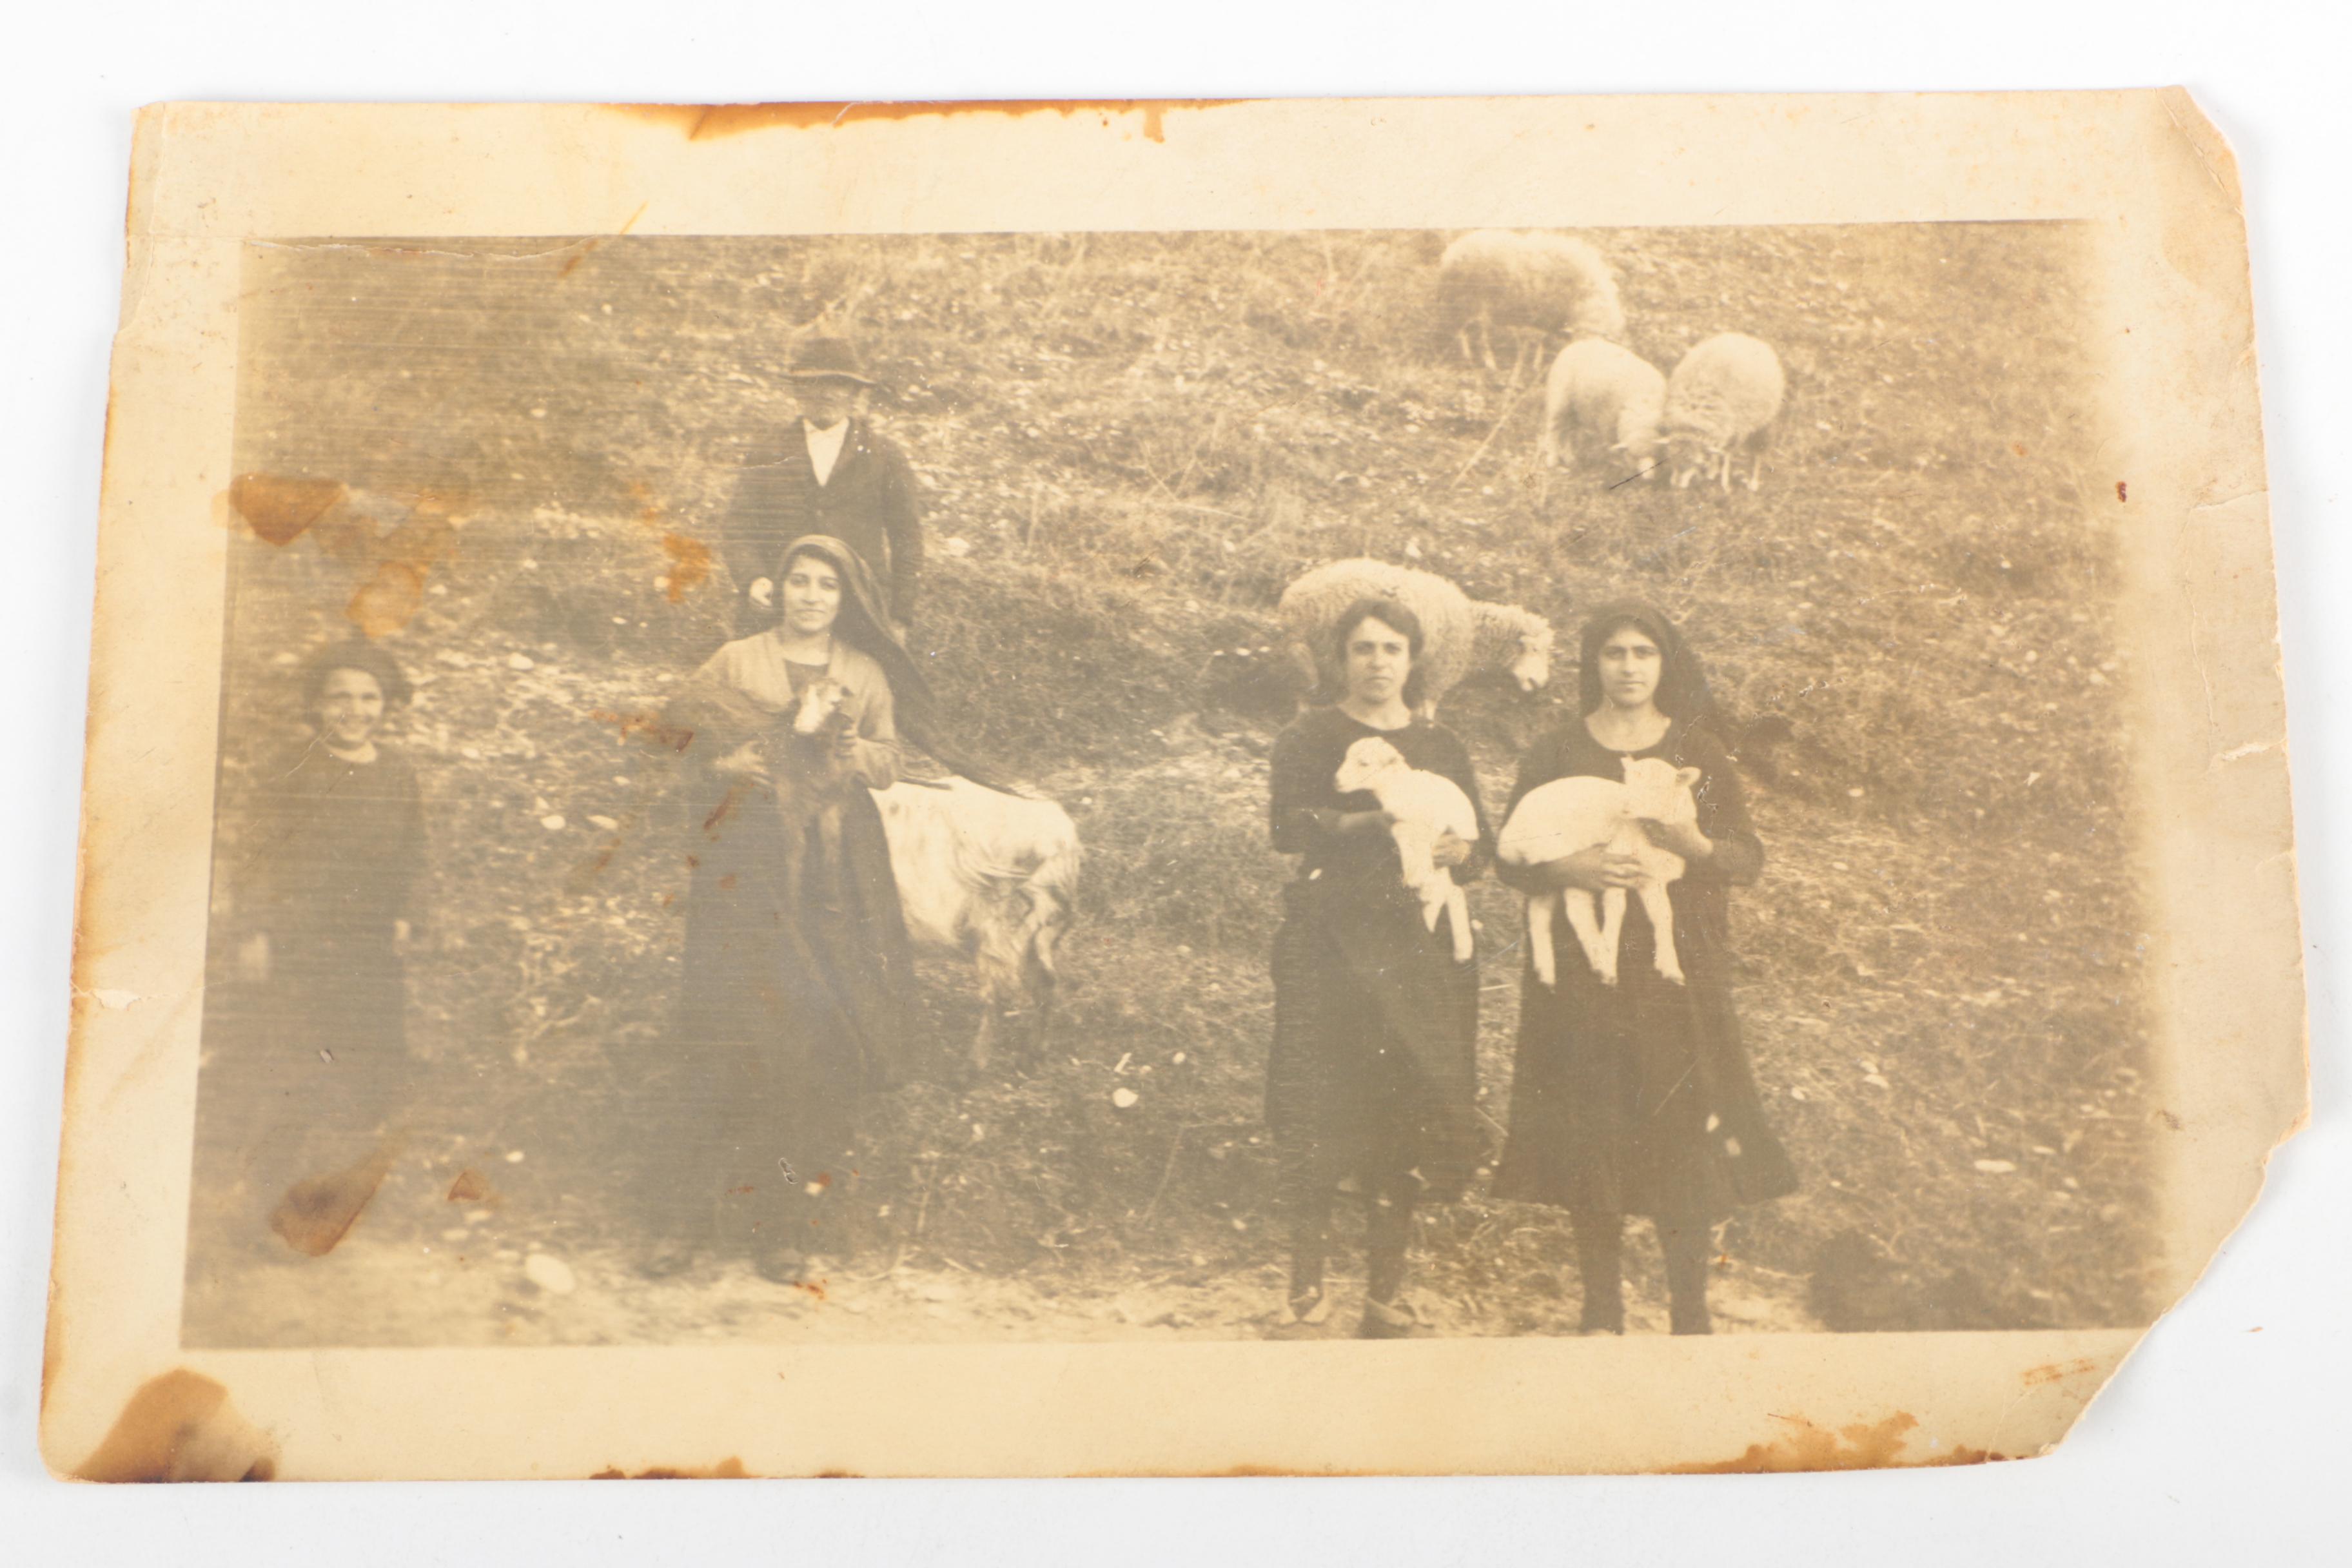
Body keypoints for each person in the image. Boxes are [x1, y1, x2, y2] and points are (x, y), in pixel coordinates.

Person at [1492, 603, 1796, 1335]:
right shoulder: (1557, 749)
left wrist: (1691, 843)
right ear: (1592, 662)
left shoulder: (1699, 751)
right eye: (1614, 652)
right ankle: (1602, 1308)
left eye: (1644, 653)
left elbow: (1745, 859)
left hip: (1674, 965)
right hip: (1584, 966)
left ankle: (1689, 1308)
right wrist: (1567, 867)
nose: (1629, 667)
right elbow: (1509, 857)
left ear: (1665, 664)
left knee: (1680, 1128)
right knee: (1590, 1123)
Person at [644, 535, 923, 1283]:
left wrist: (849, 747)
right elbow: (671, 732)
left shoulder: (863, 673)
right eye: (799, 580)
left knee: (804, 1046)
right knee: (720, 1033)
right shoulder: (737, 661)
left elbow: (891, 761)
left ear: (845, 597)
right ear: (779, 588)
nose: (811, 596)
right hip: (744, 870)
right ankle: (683, 1224)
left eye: (827, 584)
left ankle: (781, 1229)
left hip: (826, 880)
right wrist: (723, 762)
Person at [1264, 598, 1492, 1338]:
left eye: (1392, 648)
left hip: (1418, 946)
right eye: (1363, 648)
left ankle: (1384, 1293)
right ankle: (1306, 1288)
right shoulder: (1310, 736)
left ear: (1413, 659)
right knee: (1319, 1103)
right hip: (1331, 940)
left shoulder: (1439, 743)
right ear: (1341, 658)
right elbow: (1288, 826)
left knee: (1406, 1104)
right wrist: (1376, 820)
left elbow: (1479, 846)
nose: (1378, 662)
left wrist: (1461, 851)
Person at [201, 637, 427, 1257]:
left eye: (369, 697)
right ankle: (269, 1211)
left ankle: (340, 1211)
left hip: (370, 952)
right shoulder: (292, 769)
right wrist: (253, 931)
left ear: (386, 704)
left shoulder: (398, 773)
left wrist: (406, 917)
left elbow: (412, 853)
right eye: (339, 697)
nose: (355, 710)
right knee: (294, 1075)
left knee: (367, 1073)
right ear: (317, 704)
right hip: (299, 950)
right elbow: (258, 857)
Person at [720, 336, 925, 636]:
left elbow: (907, 539)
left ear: (854, 393)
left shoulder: (885, 455)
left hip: (860, 611)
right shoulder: (768, 451)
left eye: (838, 384)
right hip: (779, 609)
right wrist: (754, 579)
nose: (826, 393)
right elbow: (738, 527)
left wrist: (900, 616)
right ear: (798, 390)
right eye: (814, 383)